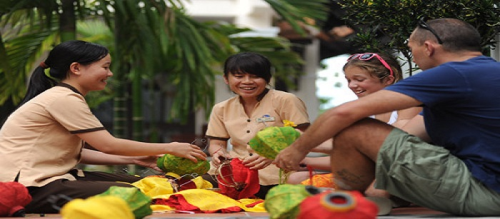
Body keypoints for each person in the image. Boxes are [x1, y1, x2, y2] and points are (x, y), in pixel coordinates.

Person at [275, 18, 500, 216]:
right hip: (486, 187)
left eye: (412, 50)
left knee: (354, 127)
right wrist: (380, 182)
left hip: (485, 191)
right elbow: (408, 136)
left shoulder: (454, 73)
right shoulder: (487, 72)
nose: (413, 57)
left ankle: (344, 209)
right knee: (372, 176)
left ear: (429, 47)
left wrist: (298, 149)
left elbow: (343, 113)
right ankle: (363, 200)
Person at [0, 40, 207, 213]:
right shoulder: (63, 98)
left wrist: (133, 158)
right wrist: (170, 147)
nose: (110, 74)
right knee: (139, 192)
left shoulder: (63, 96)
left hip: (50, 179)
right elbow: (108, 144)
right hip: (30, 187)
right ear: (76, 68)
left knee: (145, 182)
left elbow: (77, 153)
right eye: (105, 67)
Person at [287, 53, 420, 201]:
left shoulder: (408, 104)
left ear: (388, 79)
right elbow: (349, 156)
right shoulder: (362, 112)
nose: (351, 85)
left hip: (398, 173)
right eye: (348, 80)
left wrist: (305, 144)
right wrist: (304, 157)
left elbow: (385, 146)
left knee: (376, 191)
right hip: (369, 172)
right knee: (296, 178)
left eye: (359, 79)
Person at [205, 52, 310, 199]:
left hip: (277, 175)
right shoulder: (221, 108)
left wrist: (274, 154)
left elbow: (304, 136)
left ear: (267, 78)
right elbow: (216, 143)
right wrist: (218, 154)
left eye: (255, 76)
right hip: (234, 176)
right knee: (190, 188)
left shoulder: (286, 100)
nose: (247, 81)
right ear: (226, 79)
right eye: (239, 76)